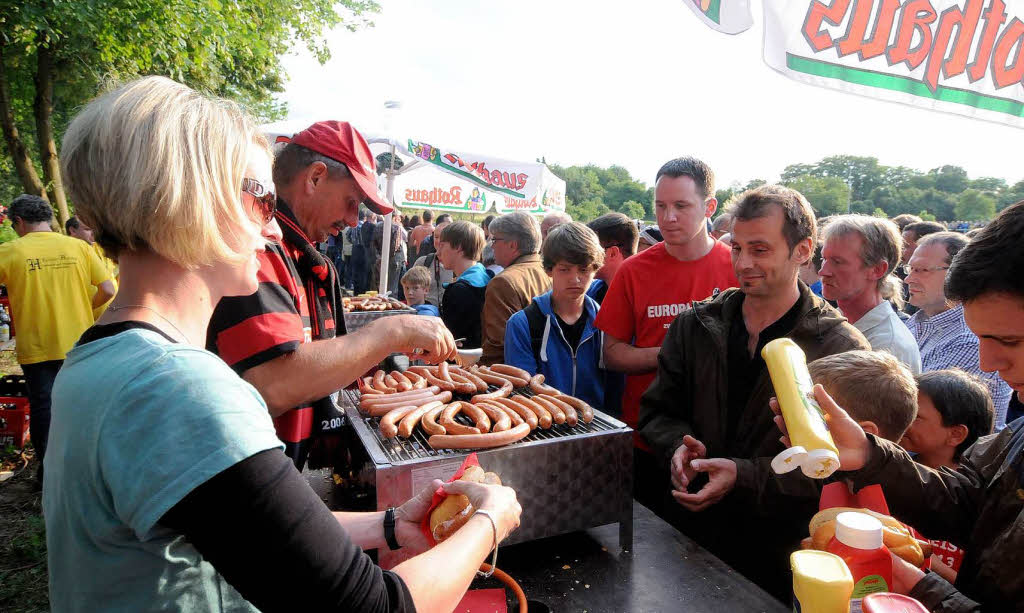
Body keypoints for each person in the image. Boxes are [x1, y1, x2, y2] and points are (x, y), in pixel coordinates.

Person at [47, 75, 520, 613]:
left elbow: (229, 529)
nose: (273, 226)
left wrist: (388, 524)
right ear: (193, 201)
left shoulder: (101, 354)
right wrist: (489, 519)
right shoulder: (180, 388)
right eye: (261, 197)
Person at [637, 184, 870, 599]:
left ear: (802, 251)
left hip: (777, 549)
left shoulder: (840, 346)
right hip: (687, 530)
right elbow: (657, 411)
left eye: (759, 250)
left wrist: (742, 475)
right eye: (737, 248)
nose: (743, 263)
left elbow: (838, 465)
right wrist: (676, 445)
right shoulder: (695, 325)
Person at [207, 120, 458, 469]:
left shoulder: (311, 261)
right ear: (315, 178)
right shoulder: (259, 253)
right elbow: (273, 384)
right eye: (352, 202)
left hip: (290, 476)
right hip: (251, 486)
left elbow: (317, 367)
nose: (355, 221)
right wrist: (392, 331)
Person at [595, 157, 737, 442]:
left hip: (722, 435)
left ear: (710, 207)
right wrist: (675, 353)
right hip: (649, 435)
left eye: (681, 206)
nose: (668, 217)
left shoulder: (737, 268)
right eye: (661, 206)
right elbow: (611, 355)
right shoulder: (633, 271)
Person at [0, 195, 115, 479]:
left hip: (37, 344)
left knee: (44, 406)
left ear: (19, 222)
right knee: (84, 403)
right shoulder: (78, 247)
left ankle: (49, 475)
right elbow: (109, 289)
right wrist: (85, 307)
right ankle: (89, 470)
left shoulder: (10, 250)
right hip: (79, 341)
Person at [905, 231, 1011, 429]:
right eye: (910, 269)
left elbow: (911, 414)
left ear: (956, 273)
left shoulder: (969, 339)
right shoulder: (917, 321)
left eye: (921, 270)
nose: (908, 279)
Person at [504, 222, 608, 409]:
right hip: (544, 426)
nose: (575, 279)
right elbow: (523, 392)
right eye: (565, 269)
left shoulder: (607, 322)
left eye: (583, 269)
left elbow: (616, 388)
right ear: (549, 269)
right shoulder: (522, 324)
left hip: (599, 427)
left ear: (595, 269)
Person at [819, 215, 921, 373]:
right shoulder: (835, 322)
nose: (823, 271)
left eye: (838, 262)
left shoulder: (888, 347)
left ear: (877, 270)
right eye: (823, 259)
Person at [479, 211, 550, 365]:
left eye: (494, 240)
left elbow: (498, 345)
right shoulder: (550, 272)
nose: (492, 246)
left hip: (513, 376)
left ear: (513, 245)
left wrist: (477, 373)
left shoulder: (503, 282)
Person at [901, 369, 994, 471]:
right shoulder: (897, 466)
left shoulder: (965, 485)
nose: (900, 420)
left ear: (956, 434)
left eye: (914, 416)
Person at [437, 221, 490, 349]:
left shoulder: (460, 290)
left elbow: (450, 342)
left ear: (459, 247)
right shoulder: (486, 275)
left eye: (442, 246)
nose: (438, 252)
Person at [67, 215, 119, 317]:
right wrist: (88, 308)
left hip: (115, 315)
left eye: (94, 229)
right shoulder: (67, 255)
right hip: (88, 320)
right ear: (73, 231)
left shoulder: (102, 248)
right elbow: (107, 291)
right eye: (87, 229)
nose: (93, 232)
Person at [586, 212, 639, 305]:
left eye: (589, 250)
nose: (581, 258)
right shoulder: (591, 293)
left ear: (612, 253)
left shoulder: (645, 296)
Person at [412, 215, 455, 306]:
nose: (439, 241)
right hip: (426, 315)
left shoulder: (458, 265)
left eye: (443, 238)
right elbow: (409, 288)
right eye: (436, 237)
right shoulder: (423, 262)